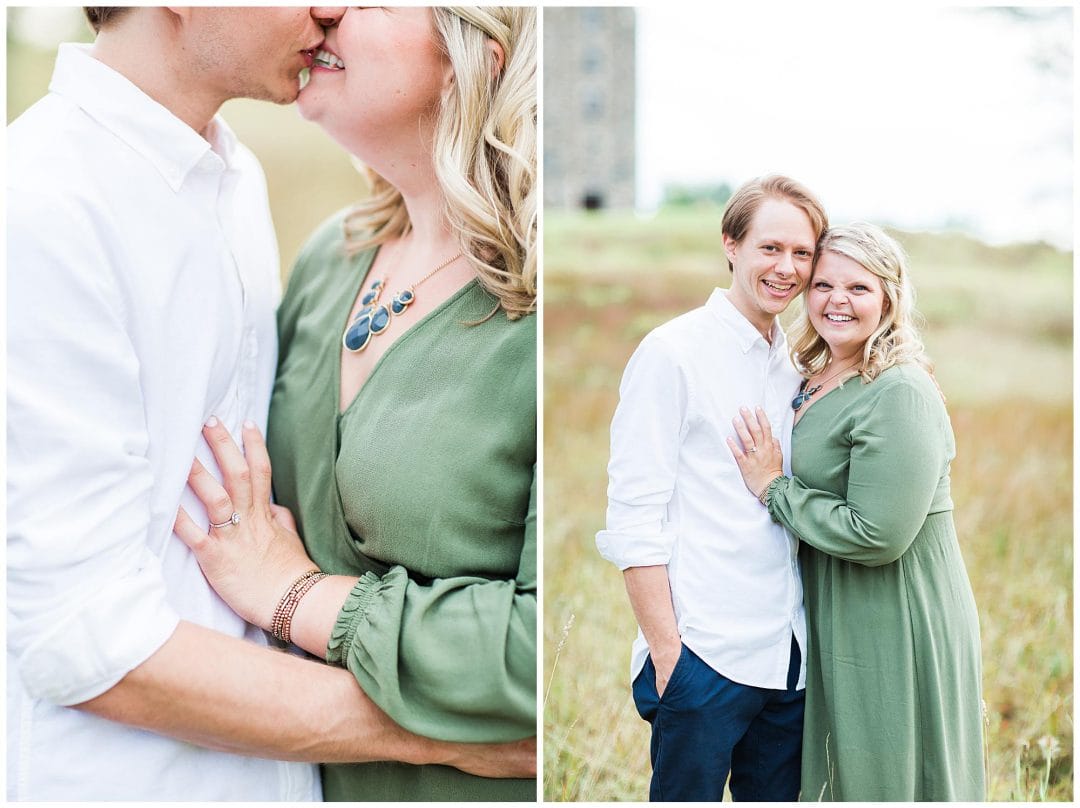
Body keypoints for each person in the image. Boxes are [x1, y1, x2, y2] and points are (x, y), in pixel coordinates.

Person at [6, 6, 532, 801]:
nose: (327, 10)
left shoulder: (234, 184)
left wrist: (297, 598)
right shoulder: (44, 204)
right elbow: (77, 633)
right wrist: (443, 732)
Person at [173, 6, 537, 802]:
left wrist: (298, 597)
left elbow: (543, 647)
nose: (326, 9)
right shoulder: (329, 260)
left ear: (475, 58)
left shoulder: (540, 314)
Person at [728, 222, 985, 800]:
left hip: (893, 608)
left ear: (889, 298)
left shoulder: (899, 391)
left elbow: (879, 534)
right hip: (832, 602)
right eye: (822, 285)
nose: (836, 301)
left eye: (858, 289)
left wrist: (774, 489)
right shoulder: (812, 374)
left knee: (886, 772)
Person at [592, 176, 827, 800]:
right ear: (731, 244)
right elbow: (634, 520)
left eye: (802, 253)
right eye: (770, 248)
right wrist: (671, 661)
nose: (786, 268)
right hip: (705, 659)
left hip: (787, 660)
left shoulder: (799, 365)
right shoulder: (672, 353)